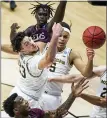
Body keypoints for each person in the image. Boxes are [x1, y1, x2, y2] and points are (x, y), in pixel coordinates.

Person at [39, 22, 95, 111]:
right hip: (37, 92)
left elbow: (86, 73)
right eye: (59, 36)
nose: (62, 39)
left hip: (52, 97)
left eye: (65, 37)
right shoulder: (44, 45)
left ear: (69, 38)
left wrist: (90, 59)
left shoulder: (71, 54)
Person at [9, 23, 63, 108]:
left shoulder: (23, 51)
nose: (32, 43)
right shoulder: (32, 62)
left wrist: (13, 29)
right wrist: (55, 36)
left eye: (30, 39)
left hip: (17, 91)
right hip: (28, 101)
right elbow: (49, 59)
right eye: (27, 44)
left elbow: (13, 39)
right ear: (22, 50)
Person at [2, 1, 67, 53]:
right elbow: (15, 42)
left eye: (45, 15)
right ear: (35, 15)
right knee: (14, 47)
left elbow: (58, 17)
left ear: (48, 17)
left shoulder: (49, 27)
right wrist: (13, 30)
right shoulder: (30, 30)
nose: (42, 17)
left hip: (45, 59)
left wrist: (63, 3)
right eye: (40, 14)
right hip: (32, 59)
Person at [3, 78, 89, 118]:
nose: (26, 101)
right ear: (16, 110)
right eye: (21, 101)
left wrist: (72, 96)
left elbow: (57, 112)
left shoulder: (35, 112)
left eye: (23, 99)